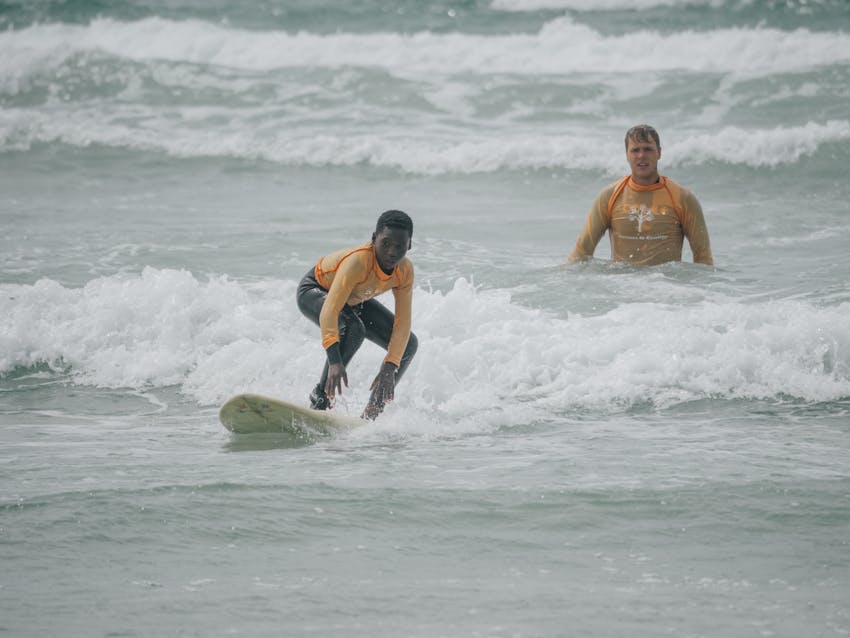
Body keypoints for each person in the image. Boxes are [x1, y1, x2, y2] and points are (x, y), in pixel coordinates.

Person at [296, 210, 418, 420]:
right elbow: (330, 310)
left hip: (353, 299)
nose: (391, 252)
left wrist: (390, 365)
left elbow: (403, 322)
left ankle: (371, 414)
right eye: (385, 243)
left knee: (408, 345)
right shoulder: (359, 261)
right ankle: (320, 401)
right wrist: (335, 361)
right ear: (374, 238)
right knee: (354, 329)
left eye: (399, 246)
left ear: (409, 246)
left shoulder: (404, 271)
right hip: (315, 290)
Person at [567, 125, 713, 266]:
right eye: (635, 150)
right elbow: (582, 251)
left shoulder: (683, 198)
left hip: (666, 282)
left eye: (648, 149)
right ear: (627, 155)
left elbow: (703, 257)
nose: (641, 155)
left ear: (659, 153)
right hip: (621, 282)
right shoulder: (609, 196)